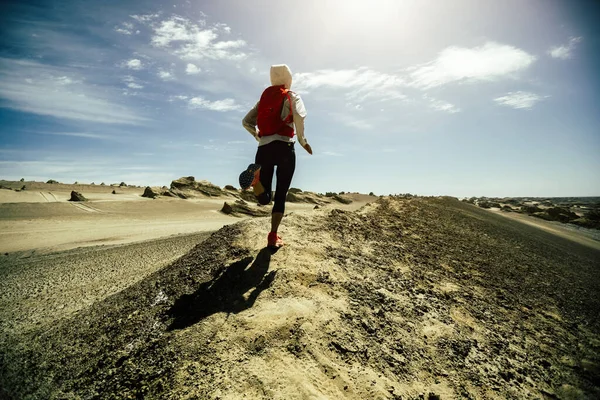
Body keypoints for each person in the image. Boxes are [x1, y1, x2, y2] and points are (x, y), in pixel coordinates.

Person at [239, 64, 313, 248]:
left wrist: (258, 137)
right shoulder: (292, 95)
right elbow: (299, 116)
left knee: (264, 199)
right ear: (289, 78)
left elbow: (246, 121)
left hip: (264, 149)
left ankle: (255, 181)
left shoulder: (263, 100)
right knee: (280, 194)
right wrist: (303, 140)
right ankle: (273, 236)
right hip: (285, 148)